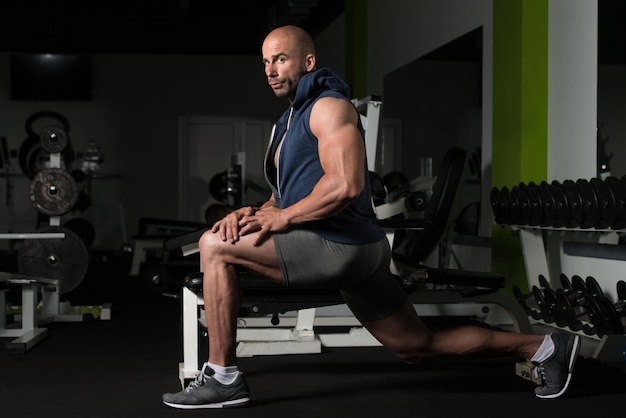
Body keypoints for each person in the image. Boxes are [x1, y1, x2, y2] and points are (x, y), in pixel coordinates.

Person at [162, 25, 580, 409]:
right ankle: (543, 348)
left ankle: (224, 376)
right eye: (266, 62)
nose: (271, 70)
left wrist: (283, 218)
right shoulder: (285, 123)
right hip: (356, 254)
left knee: (213, 248)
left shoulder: (329, 108)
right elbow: (283, 196)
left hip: (339, 246)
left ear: (307, 62)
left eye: (281, 59)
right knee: (415, 346)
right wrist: (253, 213)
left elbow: (346, 184)